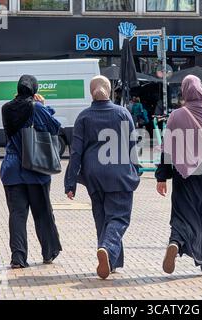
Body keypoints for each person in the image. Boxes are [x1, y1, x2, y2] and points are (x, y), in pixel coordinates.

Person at [64, 75, 140, 280]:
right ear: (110, 90)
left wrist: (70, 182)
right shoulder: (123, 114)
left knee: (102, 218)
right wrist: (137, 170)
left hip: (93, 175)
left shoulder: (83, 117)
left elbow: (76, 152)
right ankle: (106, 248)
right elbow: (133, 147)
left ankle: (111, 261)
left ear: (91, 92)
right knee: (119, 217)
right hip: (119, 174)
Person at [155, 75, 202, 276]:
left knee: (181, 212)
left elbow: (167, 150)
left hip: (183, 173)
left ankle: (175, 242)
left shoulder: (176, 115)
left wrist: (162, 177)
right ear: (201, 91)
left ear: (184, 92)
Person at [1, 75, 62, 269]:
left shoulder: (6, 108)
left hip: (11, 169)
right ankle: (49, 252)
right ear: (34, 90)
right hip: (36, 168)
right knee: (42, 212)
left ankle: (18, 258)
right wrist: (44, 105)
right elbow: (54, 127)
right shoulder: (36, 108)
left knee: (17, 215)